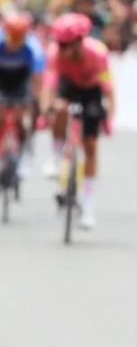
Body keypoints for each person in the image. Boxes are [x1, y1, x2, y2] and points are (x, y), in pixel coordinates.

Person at [43, 13, 114, 230]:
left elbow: (109, 89)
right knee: (61, 108)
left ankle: (88, 205)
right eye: (61, 45)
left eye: (68, 45)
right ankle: (55, 158)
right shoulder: (56, 54)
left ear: (80, 42)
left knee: (91, 145)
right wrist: (46, 110)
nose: (64, 50)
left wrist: (109, 117)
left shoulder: (98, 53)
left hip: (92, 90)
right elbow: (49, 84)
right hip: (69, 86)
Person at [0, 13, 46, 177]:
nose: (14, 43)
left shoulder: (33, 48)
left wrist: (36, 101)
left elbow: (37, 79)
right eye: (12, 38)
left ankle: (24, 152)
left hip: (21, 81)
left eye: (19, 38)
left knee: (21, 116)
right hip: (3, 79)